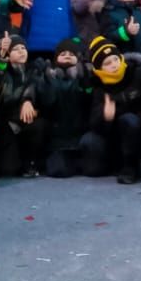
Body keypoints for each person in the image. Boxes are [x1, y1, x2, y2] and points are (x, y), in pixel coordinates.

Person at [84, 35, 141, 183]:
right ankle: (114, 162)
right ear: (99, 68)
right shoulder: (98, 86)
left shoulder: (138, 74)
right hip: (113, 134)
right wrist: (105, 117)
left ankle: (132, 168)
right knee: (92, 156)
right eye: (107, 63)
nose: (114, 64)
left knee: (128, 120)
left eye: (115, 59)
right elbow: (93, 122)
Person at [35, 38, 92, 178]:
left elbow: (89, 102)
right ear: (56, 58)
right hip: (57, 139)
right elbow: (47, 103)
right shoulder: (47, 77)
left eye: (71, 54)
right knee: (59, 171)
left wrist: (86, 82)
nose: (67, 55)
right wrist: (48, 81)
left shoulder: (85, 74)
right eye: (63, 53)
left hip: (81, 136)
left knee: (93, 169)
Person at [0, 32, 44, 177]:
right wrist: (1, 55)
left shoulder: (35, 69)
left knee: (38, 124)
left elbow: (36, 88)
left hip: (26, 120)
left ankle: (31, 161)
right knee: (8, 170)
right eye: (15, 49)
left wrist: (28, 100)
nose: (21, 51)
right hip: (6, 122)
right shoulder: (3, 71)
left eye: (23, 48)